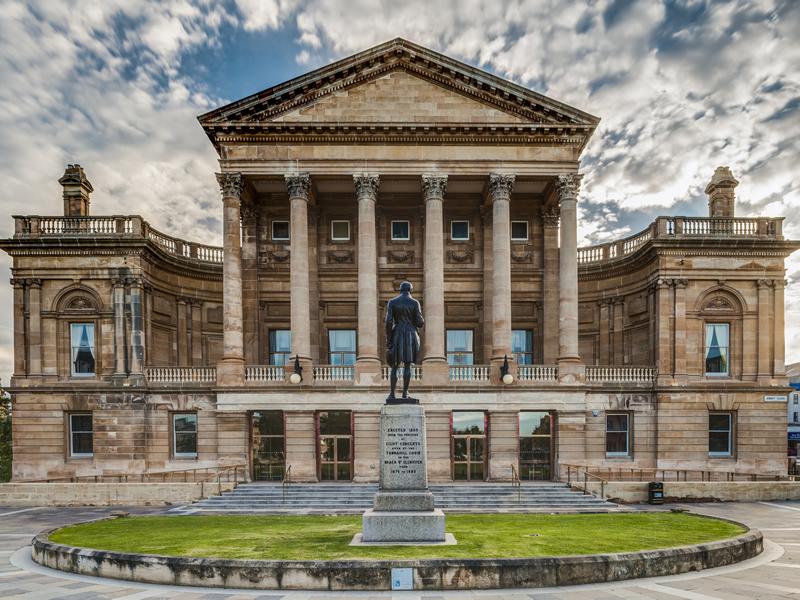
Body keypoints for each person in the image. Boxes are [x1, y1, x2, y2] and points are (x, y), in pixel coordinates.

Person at [385, 281, 424, 401]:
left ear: (400, 290)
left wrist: (389, 338)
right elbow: (420, 322)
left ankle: (391, 394)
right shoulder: (414, 303)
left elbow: (388, 321)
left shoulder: (392, 302)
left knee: (395, 366)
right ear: (410, 290)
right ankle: (405, 393)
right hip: (410, 334)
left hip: (397, 332)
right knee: (408, 365)